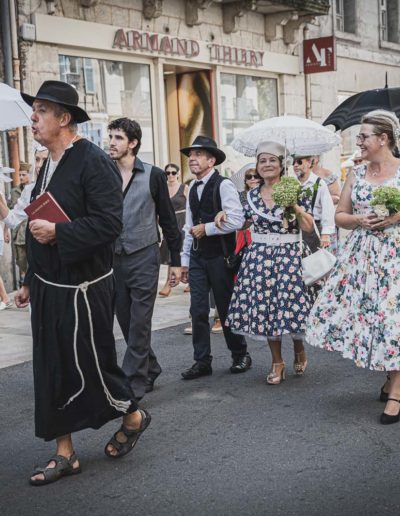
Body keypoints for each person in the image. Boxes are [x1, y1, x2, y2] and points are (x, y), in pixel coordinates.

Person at [15, 80, 151, 486]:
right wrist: (27, 279)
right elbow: (40, 216)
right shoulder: (47, 163)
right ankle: (65, 453)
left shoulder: (93, 161)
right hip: (47, 284)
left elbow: (110, 224)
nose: (33, 118)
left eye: (41, 110)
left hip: (84, 287)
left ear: (64, 118)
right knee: (51, 368)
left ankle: (134, 415)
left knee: (94, 364)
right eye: (33, 109)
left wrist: (60, 235)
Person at [306, 109, 400, 424]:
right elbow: (340, 215)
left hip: (396, 255)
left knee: (394, 321)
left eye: (363, 136)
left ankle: (397, 390)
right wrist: (361, 219)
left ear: (383, 139)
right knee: (376, 319)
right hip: (364, 257)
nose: (358, 142)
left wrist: (394, 217)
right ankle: (391, 375)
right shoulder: (357, 174)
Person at [224, 142, 315, 385]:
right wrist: (222, 216)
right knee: (266, 310)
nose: (266, 165)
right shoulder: (250, 195)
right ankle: (277, 362)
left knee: (292, 307)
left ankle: (299, 346)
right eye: (262, 161)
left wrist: (292, 206)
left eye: (272, 160)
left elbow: (308, 227)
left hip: (289, 254)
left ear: (281, 164)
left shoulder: (294, 188)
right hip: (260, 257)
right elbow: (241, 223)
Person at [108, 118, 182, 400]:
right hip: (113, 259)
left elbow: (168, 220)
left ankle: (133, 384)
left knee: (139, 322)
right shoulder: (104, 172)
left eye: (118, 138)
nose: (112, 143)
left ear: (133, 143)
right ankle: (150, 367)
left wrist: (175, 261)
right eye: (111, 137)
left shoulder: (153, 175)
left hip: (144, 257)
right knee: (126, 322)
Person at [178, 135, 252, 379]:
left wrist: (207, 228)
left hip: (220, 256)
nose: (192, 159)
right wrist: (185, 261)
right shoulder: (191, 188)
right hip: (198, 258)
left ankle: (240, 354)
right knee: (197, 310)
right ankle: (202, 361)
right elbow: (188, 226)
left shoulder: (224, 185)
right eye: (191, 155)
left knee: (225, 306)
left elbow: (237, 220)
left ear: (211, 161)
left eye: (198, 155)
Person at [293, 155, 336, 254]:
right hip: (296, 229)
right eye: (293, 162)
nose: (295, 165)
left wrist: (325, 234)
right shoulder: (292, 183)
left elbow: (328, 208)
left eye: (299, 162)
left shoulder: (319, 183)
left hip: (314, 228)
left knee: (314, 262)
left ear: (309, 163)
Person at [159, 163, 188, 297]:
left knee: (184, 252)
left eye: (173, 173)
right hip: (168, 224)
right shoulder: (162, 189)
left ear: (178, 174)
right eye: (167, 173)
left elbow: (192, 206)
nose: (170, 175)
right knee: (171, 253)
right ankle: (168, 283)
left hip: (182, 222)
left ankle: (188, 280)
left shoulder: (184, 188)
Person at [9, 162, 31, 284]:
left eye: (24, 174)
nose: (21, 177)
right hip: (18, 235)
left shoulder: (35, 188)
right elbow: (11, 212)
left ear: (29, 175)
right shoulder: (14, 192)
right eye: (20, 175)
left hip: (31, 232)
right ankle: (24, 284)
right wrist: (6, 230)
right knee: (21, 262)